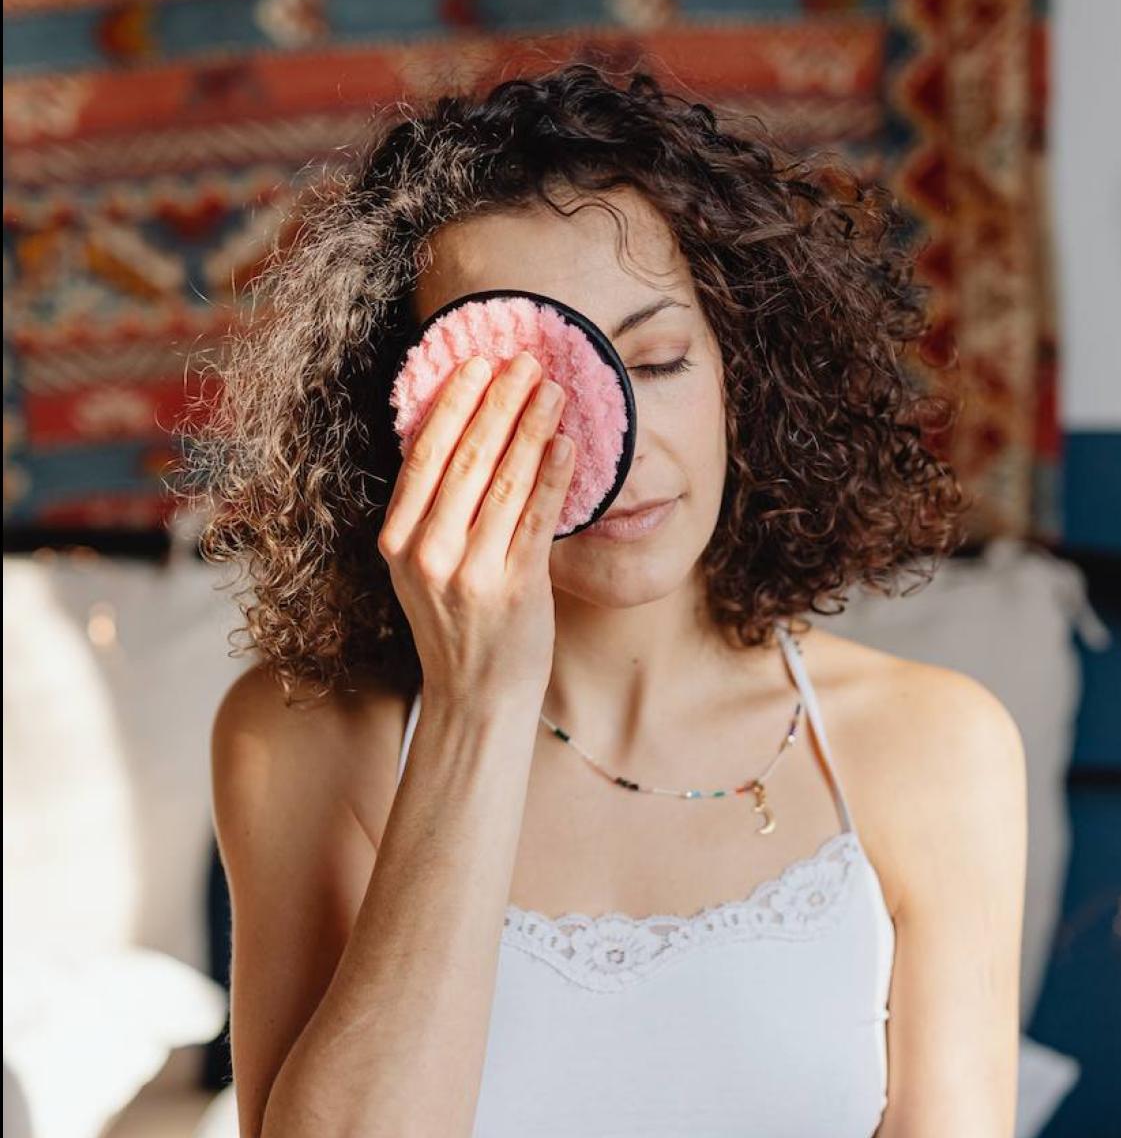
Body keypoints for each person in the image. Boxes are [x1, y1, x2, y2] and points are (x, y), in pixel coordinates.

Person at [187, 61, 1026, 1137]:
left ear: (743, 367)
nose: (615, 449)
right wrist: (475, 707)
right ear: (405, 422)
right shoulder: (300, 736)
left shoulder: (936, 747)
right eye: (526, 398)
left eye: (662, 359)